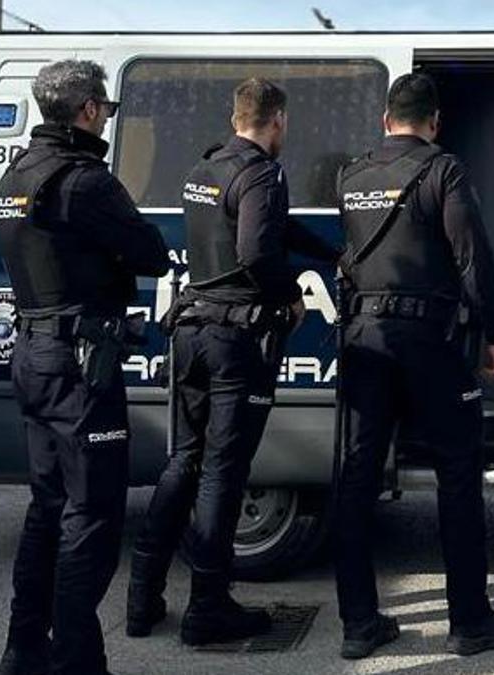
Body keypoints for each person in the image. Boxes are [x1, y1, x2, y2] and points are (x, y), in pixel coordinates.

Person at [125, 78, 340, 646]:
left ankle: (142, 596)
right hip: (234, 341)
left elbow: (272, 227)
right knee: (224, 473)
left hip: (192, 332)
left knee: (184, 462)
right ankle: (208, 607)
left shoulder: (206, 169)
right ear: (277, 120)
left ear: (234, 115)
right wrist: (292, 294)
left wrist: (335, 251)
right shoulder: (263, 174)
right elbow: (257, 252)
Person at [332, 72, 494, 660]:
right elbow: (472, 256)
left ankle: (359, 624)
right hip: (427, 340)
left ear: (387, 120)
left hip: (363, 337)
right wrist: (493, 335)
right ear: (434, 122)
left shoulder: (352, 174)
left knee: (356, 478)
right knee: (458, 474)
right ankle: (469, 621)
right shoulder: (443, 170)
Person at [0, 60, 170, 675]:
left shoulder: (14, 176)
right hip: (79, 364)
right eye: (107, 110)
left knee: (47, 507)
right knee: (90, 514)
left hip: (34, 356)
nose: (106, 120)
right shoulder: (84, 180)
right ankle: (76, 661)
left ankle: (22, 649)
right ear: (89, 109)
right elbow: (150, 253)